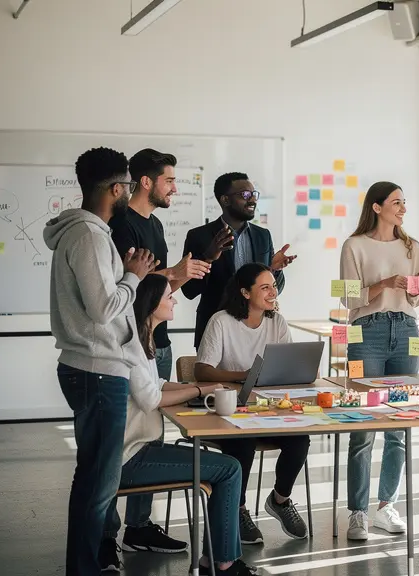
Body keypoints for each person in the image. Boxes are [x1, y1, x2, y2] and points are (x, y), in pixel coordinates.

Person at [44, 147, 156, 576]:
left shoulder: (84, 233)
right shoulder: (90, 236)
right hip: (96, 370)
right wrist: (133, 276)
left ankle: (82, 566)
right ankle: (85, 568)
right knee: (101, 484)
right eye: (128, 184)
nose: (130, 191)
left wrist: (125, 273)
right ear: (116, 188)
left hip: (89, 367)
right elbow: (104, 308)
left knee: (91, 478)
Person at [100, 274, 257, 576]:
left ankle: (217, 560)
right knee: (230, 468)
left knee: (229, 465)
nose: (174, 301)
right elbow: (150, 398)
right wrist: (199, 390)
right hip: (132, 458)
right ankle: (222, 563)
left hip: (139, 451)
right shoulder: (130, 344)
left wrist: (205, 387)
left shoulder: (140, 339)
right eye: (169, 296)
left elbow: (156, 383)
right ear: (151, 303)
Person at [107, 149, 211, 555]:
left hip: (157, 340)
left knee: (154, 431)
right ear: (146, 182)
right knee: (126, 436)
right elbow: (124, 284)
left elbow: (158, 292)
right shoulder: (121, 226)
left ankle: (139, 527)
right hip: (127, 340)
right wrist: (172, 274)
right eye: (169, 180)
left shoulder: (157, 225)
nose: (174, 187)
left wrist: (182, 277)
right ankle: (107, 532)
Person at [339, 181, 419, 540]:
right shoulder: (354, 245)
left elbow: (417, 302)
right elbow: (349, 300)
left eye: (404, 202)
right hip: (366, 333)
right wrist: (385, 283)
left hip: (407, 332)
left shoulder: (414, 247)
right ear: (376, 207)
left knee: (399, 422)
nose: (403, 208)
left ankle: (386, 506)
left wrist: (414, 288)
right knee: (361, 422)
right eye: (396, 202)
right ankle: (357, 513)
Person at [194, 263, 310, 544]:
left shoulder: (277, 322)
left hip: (268, 409)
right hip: (232, 410)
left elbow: (287, 363)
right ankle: (238, 508)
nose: (273, 292)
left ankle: (280, 500)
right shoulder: (221, 321)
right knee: (242, 444)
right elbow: (201, 370)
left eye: (274, 285)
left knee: (300, 439)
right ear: (245, 292)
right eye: (265, 287)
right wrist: (242, 376)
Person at [182, 172, 297, 348]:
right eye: (245, 195)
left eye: (253, 194)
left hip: (259, 332)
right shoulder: (200, 236)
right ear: (225, 200)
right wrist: (208, 259)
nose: (252, 200)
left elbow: (275, 291)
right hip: (216, 330)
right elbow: (189, 290)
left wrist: (274, 270)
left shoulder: (263, 236)